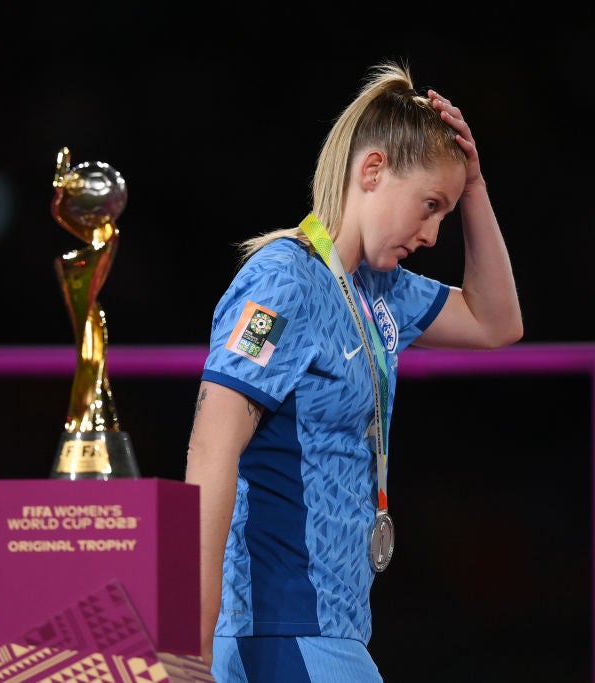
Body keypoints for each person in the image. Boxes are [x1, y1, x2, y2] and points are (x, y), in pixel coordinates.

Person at [183, 59, 523, 682]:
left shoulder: (379, 290)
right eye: (428, 206)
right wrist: (190, 650)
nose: (432, 234)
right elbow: (210, 451)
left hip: (330, 631)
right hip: (278, 631)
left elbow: (496, 321)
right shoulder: (283, 282)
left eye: (444, 213)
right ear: (372, 171)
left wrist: (473, 188)